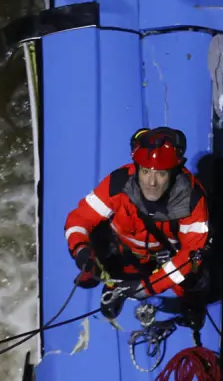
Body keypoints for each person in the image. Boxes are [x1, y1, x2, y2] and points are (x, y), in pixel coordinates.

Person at [63, 127, 211, 320]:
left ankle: (190, 303)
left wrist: (149, 286)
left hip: (165, 257)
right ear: (137, 168)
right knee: (102, 250)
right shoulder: (117, 183)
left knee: (194, 276)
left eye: (161, 174)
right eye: (146, 171)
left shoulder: (191, 200)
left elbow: (190, 255)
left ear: (173, 173)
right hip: (123, 249)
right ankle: (113, 285)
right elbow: (79, 219)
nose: (152, 182)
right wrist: (80, 249)